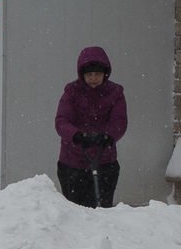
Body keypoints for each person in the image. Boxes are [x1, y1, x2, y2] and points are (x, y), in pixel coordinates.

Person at [54, 46, 127, 208]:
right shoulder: (72, 92)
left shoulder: (115, 93)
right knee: (74, 211)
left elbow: (119, 121)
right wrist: (77, 135)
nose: (93, 79)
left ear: (105, 74)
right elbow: (61, 120)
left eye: (97, 74)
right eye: (89, 75)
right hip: (72, 163)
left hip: (104, 162)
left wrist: (108, 136)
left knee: (101, 209)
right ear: (82, 75)